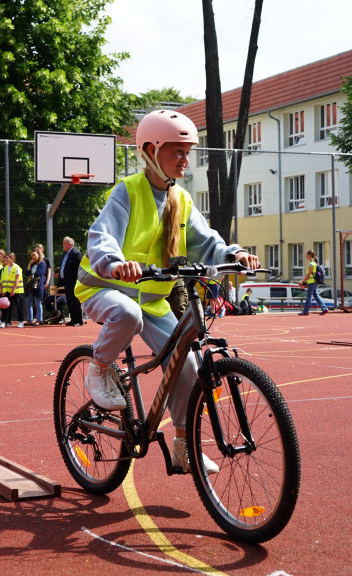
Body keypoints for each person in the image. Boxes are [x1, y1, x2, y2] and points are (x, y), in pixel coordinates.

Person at [74, 110, 258, 474]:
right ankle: (98, 368)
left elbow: (206, 242)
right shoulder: (128, 191)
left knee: (187, 366)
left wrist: (232, 254)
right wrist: (113, 262)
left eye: (187, 152)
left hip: (154, 299)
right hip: (106, 286)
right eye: (176, 151)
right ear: (150, 151)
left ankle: (183, 447)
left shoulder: (181, 200)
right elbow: (102, 235)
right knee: (128, 314)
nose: (184, 159)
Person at [58, 237, 84, 326]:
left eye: (64, 243)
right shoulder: (65, 254)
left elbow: (81, 268)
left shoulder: (76, 253)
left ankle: (79, 321)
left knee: (75, 301)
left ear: (70, 244)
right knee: (70, 301)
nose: (62, 245)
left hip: (74, 282)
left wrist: (78, 279)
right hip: (67, 282)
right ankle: (73, 320)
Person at [297, 250, 328, 316]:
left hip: (311, 283)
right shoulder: (315, 263)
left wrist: (302, 281)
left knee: (308, 297)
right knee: (316, 296)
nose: (305, 256)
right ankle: (324, 308)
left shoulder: (311, 264)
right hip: (314, 282)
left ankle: (305, 311)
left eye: (306, 254)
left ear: (310, 255)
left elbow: (308, 275)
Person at [0, 252, 25, 328]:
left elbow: (17, 280)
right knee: (6, 307)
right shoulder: (5, 268)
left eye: (8, 258)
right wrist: (3, 290)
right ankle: (5, 321)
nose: (6, 259)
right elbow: (3, 280)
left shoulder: (16, 268)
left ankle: (21, 321)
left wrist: (13, 290)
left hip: (17, 291)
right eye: (6, 258)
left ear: (12, 258)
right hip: (7, 290)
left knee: (19, 306)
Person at [25, 248, 48, 326]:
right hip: (30, 285)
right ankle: (29, 319)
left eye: (34, 255)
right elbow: (27, 273)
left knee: (38, 303)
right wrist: (29, 264)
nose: (33, 257)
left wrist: (31, 276)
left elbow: (39, 273)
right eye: (32, 256)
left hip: (37, 285)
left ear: (39, 255)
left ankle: (39, 319)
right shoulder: (32, 264)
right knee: (28, 302)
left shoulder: (42, 264)